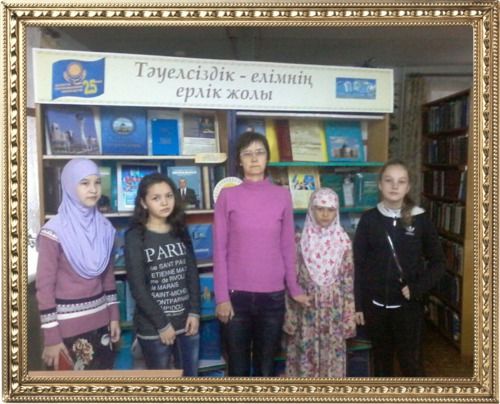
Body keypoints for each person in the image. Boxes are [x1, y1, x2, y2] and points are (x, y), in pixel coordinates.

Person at [213, 131, 310, 377]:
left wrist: (294, 288)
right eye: (247, 153)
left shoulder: (282, 195)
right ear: (239, 160)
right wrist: (221, 297)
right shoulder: (227, 196)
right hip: (236, 297)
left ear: (267, 157)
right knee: (237, 369)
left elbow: (287, 245)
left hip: (272, 298)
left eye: (259, 152)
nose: (254, 158)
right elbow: (219, 249)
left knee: (266, 368)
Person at [353, 159, 446, 377]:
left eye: (401, 181)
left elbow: (439, 263)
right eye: (389, 180)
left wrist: (417, 287)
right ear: (380, 184)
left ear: (408, 187)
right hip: (375, 309)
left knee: (412, 366)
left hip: (408, 310)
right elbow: (359, 266)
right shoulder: (368, 219)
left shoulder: (420, 219)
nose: (394, 186)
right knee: (381, 366)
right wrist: (358, 305)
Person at [35, 158, 120, 370]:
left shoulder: (105, 228)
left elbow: (108, 279)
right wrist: (51, 337)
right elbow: (44, 288)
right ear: (69, 186)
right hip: (65, 331)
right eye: (84, 183)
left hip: (102, 326)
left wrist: (114, 317)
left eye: (97, 182)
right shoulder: (53, 232)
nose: (93, 189)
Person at [125, 173, 200, 376]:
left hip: (187, 323)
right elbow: (137, 288)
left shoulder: (180, 229)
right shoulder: (135, 236)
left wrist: (194, 312)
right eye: (156, 198)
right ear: (144, 202)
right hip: (154, 327)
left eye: (169, 196)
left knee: (190, 381)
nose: (164, 202)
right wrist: (162, 324)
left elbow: (192, 273)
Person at [284, 188, 356, 377]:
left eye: (330, 209)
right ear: (311, 209)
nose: (325, 214)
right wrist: (290, 316)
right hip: (306, 310)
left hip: (334, 312)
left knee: (331, 360)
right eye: (320, 208)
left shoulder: (344, 242)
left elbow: (348, 281)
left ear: (336, 212)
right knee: (304, 360)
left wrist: (348, 319)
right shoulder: (299, 240)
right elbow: (291, 279)